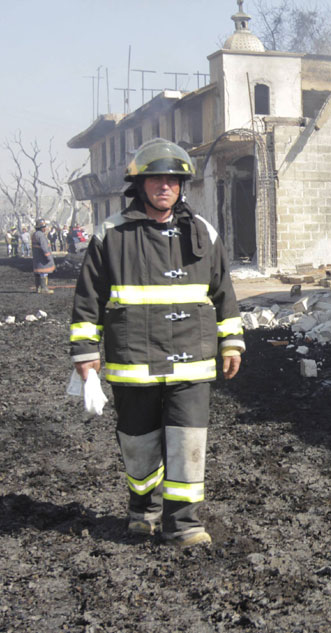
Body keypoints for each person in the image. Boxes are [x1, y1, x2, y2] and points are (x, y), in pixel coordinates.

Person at [70, 138, 245, 548]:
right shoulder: (111, 236)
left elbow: (224, 292)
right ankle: (143, 508)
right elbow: (87, 300)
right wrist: (85, 353)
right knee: (138, 440)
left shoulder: (203, 232)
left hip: (193, 361)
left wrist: (232, 340)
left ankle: (183, 523)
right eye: (156, 179)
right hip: (134, 360)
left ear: (181, 185)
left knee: (188, 441)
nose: (164, 186)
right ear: (140, 184)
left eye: (173, 179)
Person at [31, 218, 55, 293]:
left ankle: (38, 288)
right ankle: (44, 288)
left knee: (38, 273)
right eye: (44, 227)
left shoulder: (34, 234)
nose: (45, 228)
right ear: (41, 228)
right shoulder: (41, 236)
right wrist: (48, 257)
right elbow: (44, 247)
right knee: (43, 273)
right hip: (42, 258)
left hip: (37, 257)